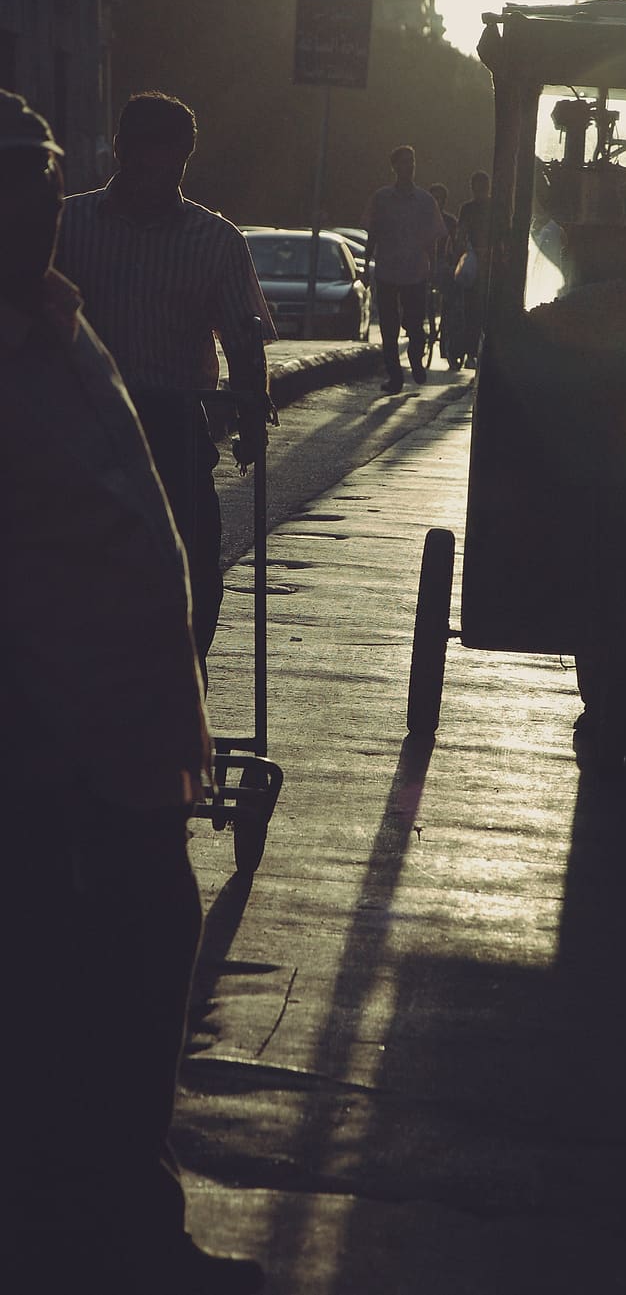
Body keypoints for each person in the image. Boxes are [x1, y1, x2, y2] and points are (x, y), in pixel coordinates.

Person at [0, 90, 263, 1292]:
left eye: (47, 188)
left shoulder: (59, 321)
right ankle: (96, 1235)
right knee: (79, 997)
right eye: (20, 192)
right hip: (55, 759)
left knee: (138, 974)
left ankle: (126, 1221)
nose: (43, 211)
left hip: (129, 742)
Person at [55, 90, 275, 678]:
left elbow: (244, 341)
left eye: (172, 160)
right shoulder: (67, 226)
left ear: (186, 160)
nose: (158, 173)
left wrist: (252, 420)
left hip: (175, 429)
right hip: (83, 430)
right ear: (120, 150)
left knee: (195, 572)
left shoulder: (216, 241)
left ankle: (182, 683)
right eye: (147, 156)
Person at [363, 144, 447, 394]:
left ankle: (415, 359)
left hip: (415, 272)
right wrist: (365, 265)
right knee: (388, 328)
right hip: (387, 271)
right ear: (394, 167)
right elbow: (372, 234)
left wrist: (433, 267)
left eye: (412, 162)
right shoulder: (381, 198)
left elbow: (433, 238)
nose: (409, 166)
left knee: (415, 325)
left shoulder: (425, 201)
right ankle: (395, 377)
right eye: (403, 162)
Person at [455, 168, 493, 365]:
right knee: (483, 308)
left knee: (470, 308)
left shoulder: (467, 209)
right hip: (489, 264)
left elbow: (460, 235)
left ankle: (470, 351)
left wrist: (460, 253)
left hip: (475, 262)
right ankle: (476, 350)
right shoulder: (496, 208)